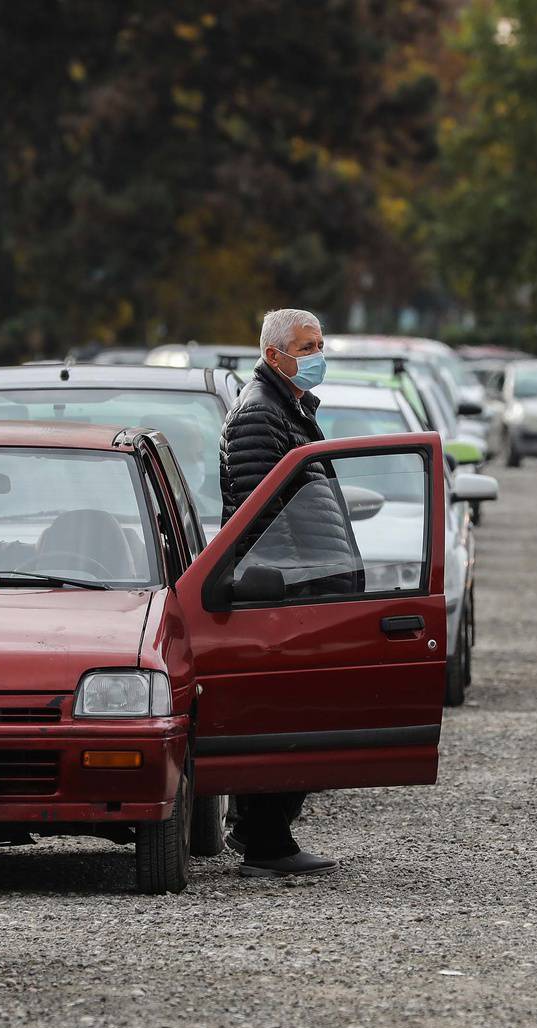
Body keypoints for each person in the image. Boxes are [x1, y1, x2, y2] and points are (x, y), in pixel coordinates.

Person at [216, 307, 355, 878]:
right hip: (283, 596)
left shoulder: (290, 408)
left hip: (305, 588)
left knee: (304, 717)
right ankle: (263, 839)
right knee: (284, 718)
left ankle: (270, 832)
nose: (317, 354)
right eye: (306, 345)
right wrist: (295, 588)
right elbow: (263, 517)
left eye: (320, 343)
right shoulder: (259, 414)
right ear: (274, 355)